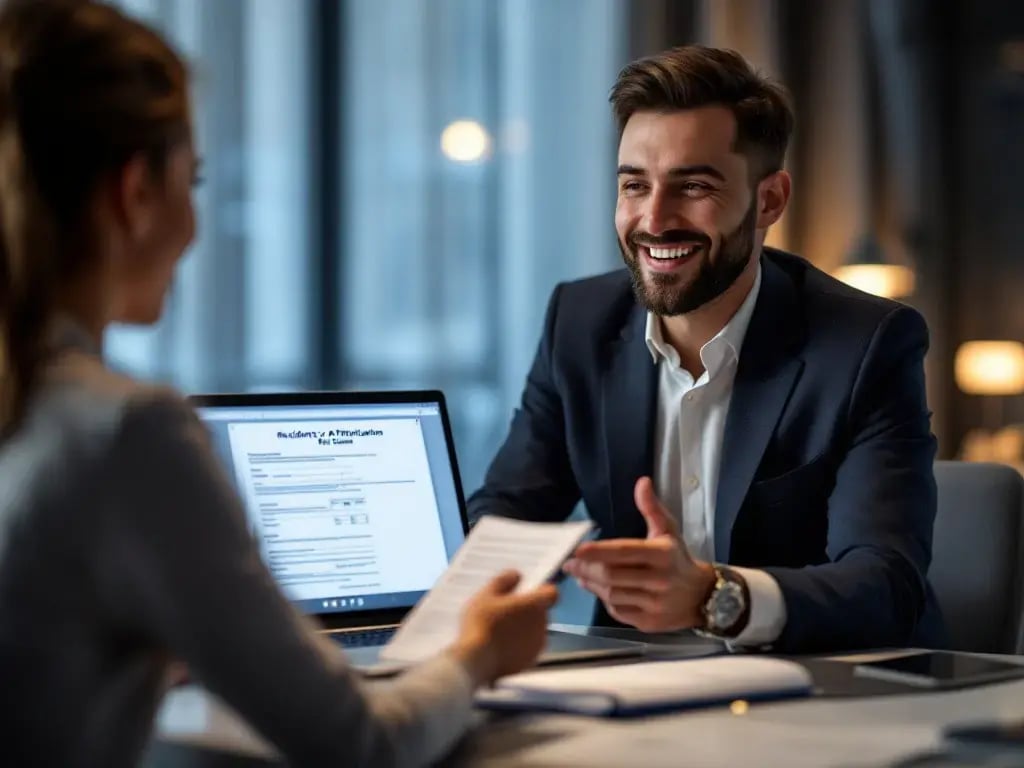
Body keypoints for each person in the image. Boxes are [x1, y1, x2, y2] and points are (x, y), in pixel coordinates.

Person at [0, 2, 557, 767]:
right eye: (191, 180)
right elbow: (361, 745)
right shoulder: (124, 431)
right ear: (134, 194)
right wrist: (478, 655)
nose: (195, 222)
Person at [467, 44, 944, 653]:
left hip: (822, 689)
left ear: (768, 200)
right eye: (635, 185)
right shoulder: (579, 322)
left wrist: (712, 595)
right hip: (633, 684)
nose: (655, 219)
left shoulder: (866, 345)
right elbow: (509, 507)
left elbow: (886, 582)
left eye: (692, 186)